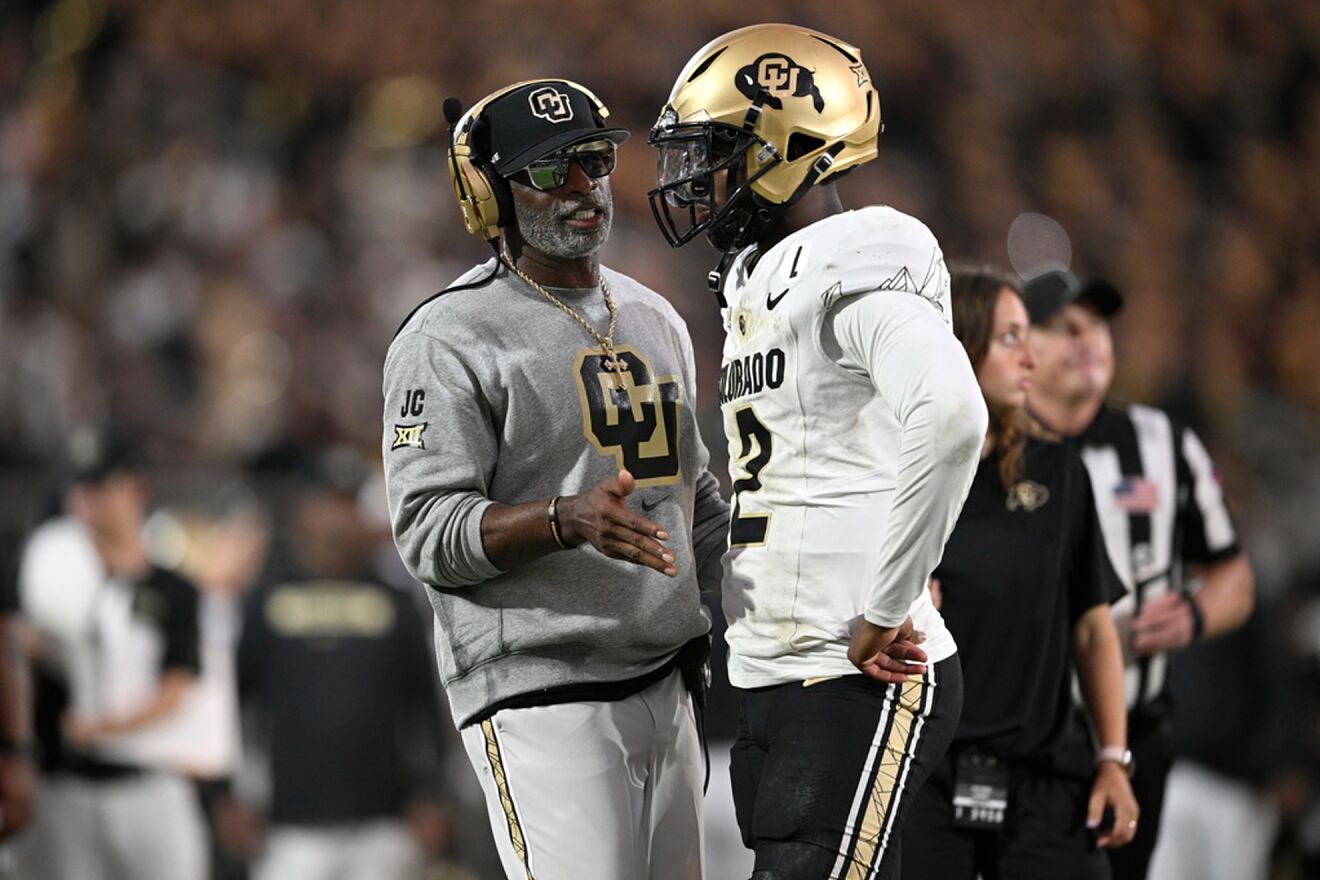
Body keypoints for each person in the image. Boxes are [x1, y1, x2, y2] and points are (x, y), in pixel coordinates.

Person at [648, 23, 988, 878]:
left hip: (852, 671)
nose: (697, 177)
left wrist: (890, 597)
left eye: (718, 149)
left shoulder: (856, 258)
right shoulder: (766, 277)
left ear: (788, 146)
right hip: (773, 669)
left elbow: (950, 415)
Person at [382, 78, 729, 880]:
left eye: (594, 160)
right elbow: (428, 535)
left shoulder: (653, 316)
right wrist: (562, 519)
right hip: (542, 688)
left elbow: (696, 508)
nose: (583, 187)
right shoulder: (447, 336)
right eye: (547, 171)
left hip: (668, 677)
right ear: (487, 195)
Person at [900, 266, 1138, 878]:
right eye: (1010, 338)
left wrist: (1113, 758)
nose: (1031, 355)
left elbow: (1092, 627)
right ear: (961, 348)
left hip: (1044, 779)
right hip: (921, 776)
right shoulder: (894, 473)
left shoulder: (1057, 471)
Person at [1023, 267, 1255, 879]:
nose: (1088, 339)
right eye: (1064, 326)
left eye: (1097, 325)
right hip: (1018, 739)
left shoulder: (1164, 443)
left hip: (1135, 736)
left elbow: (1234, 577)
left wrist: (1197, 612)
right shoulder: (989, 445)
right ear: (1022, 344)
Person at [225, 456, 449, 880]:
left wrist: (433, 794)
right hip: (289, 824)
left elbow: (426, 703)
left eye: (348, 504)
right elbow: (232, 701)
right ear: (302, 512)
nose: (338, 520)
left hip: (386, 821)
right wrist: (225, 795)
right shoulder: (265, 600)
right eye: (328, 503)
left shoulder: (396, 602)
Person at [15, 429, 208, 880]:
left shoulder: (171, 589)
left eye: (102, 483)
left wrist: (99, 728)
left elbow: (176, 689)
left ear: (137, 487)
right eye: (82, 484)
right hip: (60, 784)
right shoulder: (43, 573)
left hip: (147, 783)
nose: (88, 497)